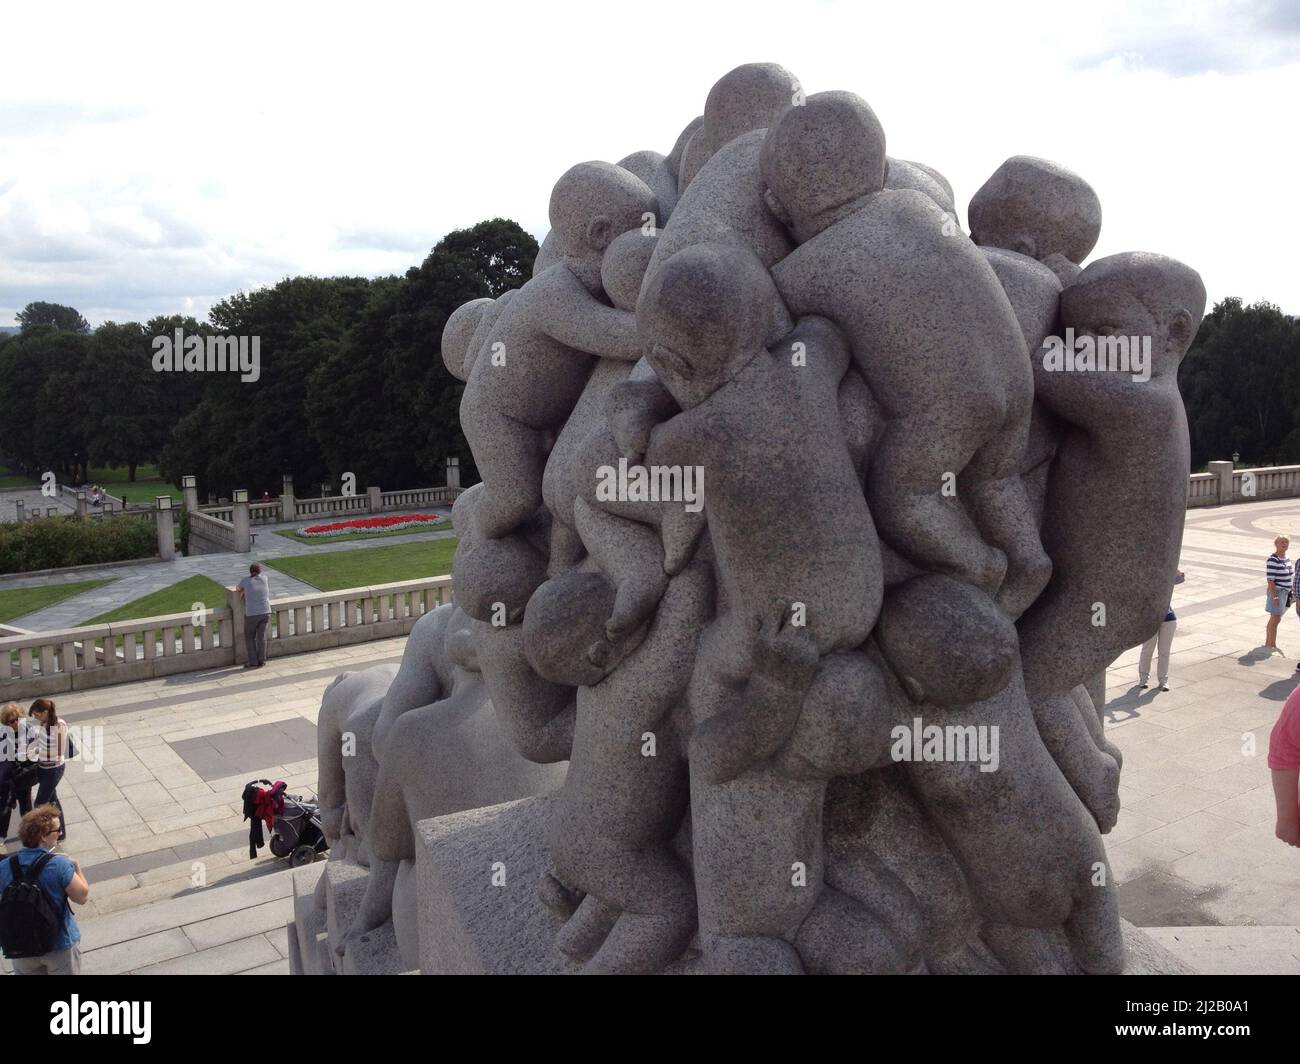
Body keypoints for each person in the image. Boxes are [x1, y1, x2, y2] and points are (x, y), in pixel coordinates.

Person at [0, 805, 89, 974]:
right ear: (43, 836)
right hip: (59, 944)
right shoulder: (59, 865)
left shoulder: (5, 866)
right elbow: (81, 897)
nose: (60, 833)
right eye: (57, 830)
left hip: (20, 946)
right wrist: (76, 866)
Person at [1138, 570, 1184, 692]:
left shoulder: (1166, 579)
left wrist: (1174, 569)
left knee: (1164, 652)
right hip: (1150, 620)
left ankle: (1163, 681)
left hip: (1168, 619)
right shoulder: (1145, 581)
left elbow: (1181, 578)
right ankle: (1143, 679)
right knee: (1147, 650)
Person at [28, 700, 68, 842]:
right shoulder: (45, 724)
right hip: (43, 768)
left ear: (45, 712)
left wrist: (36, 752)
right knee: (53, 801)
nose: (37, 718)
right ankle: (60, 831)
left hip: (54, 769)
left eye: (37, 715)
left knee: (39, 804)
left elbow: (58, 751)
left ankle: (37, 834)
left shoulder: (59, 725)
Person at [0, 703, 37, 845]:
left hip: (23, 774)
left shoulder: (27, 728)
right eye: (11, 721)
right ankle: (2, 835)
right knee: (5, 805)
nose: (15, 723)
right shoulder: (3, 733)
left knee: (26, 803)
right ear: (6, 722)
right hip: (8, 776)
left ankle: (29, 833)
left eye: (17, 719)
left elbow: (33, 749)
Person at [237, 562, 271, 669]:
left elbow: (238, 588)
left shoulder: (246, 580)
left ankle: (253, 662)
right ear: (260, 571)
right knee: (261, 637)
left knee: (249, 637)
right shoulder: (265, 579)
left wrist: (243, 591)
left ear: (250, 571)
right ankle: (261, 660)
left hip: (252, 614)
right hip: (265, 612)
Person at [1266, 537, 1293, 652]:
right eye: (1281, 542)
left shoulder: (1287, 558)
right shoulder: (1273, 559)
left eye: (1286, 542)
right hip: (1278, 592)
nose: (1284, 544)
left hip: (1286, 592)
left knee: (1277, 618)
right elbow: (1270, 580)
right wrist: (1275, 596)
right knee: (1275, 617)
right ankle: (1270, 643)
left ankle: (1270, 642)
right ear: (1276, 544)